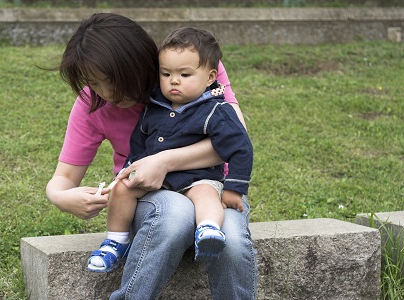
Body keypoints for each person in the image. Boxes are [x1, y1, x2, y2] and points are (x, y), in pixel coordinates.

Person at [45, 12, 257, 299]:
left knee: (230, 241)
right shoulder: (91, 104)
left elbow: (236, 136)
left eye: (112, 80)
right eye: (94, 83)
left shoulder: (191, 64)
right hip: (148, 194)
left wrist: (163, 160)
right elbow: (62, 179)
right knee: (175, 213)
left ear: (139, 64)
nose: (106, 93)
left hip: (214, 187)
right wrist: (61, 198)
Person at [87, 27, 253, 273]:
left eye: (185, 75)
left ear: (209, 78)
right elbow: (139, 142)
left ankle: (208, 229)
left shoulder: (216, 110)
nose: (174, 80)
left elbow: (240, 148)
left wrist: (234, 188)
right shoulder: (154, 106)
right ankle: (115, 241)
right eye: (166, 74)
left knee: (206, 196)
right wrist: (130, 169)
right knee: (122, 189)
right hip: (158, 181)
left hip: (200, 177)